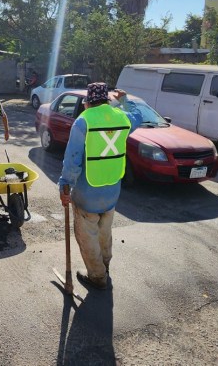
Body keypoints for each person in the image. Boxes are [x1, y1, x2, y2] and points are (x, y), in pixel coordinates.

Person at [58, 82, 142, 290]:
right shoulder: (122, 117)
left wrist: (65, 184)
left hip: (88, 194)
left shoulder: (83, 121)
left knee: (87, 237)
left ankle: (97, 276)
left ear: (87, 103)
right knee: (105, 231)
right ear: (106, 100)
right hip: (112, 191)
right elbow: (138, 116)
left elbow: (73, 159)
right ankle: (105, 265)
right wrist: (124, 100)